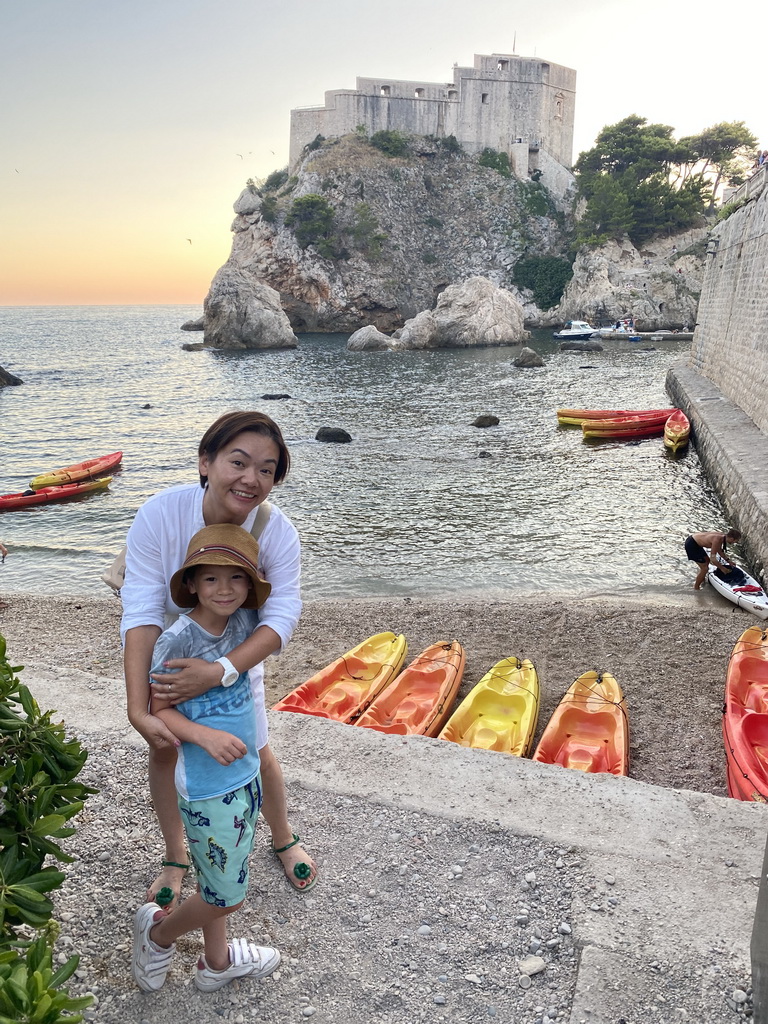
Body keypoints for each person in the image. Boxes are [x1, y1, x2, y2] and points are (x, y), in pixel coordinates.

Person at [122, 411, 317, 909]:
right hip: (172, 650)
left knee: (257, 745)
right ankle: (174, 855)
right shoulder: (160, 515)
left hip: (237, 655)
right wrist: (138, 704)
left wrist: (221, 670)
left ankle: (282, 834)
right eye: (239, 461)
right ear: (206, 461)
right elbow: (142, 606)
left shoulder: (277, 532)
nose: (251, 479)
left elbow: (281, 617)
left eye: (268, 469)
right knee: (165, 747)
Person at [133, 523, 280, 992]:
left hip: (243, 774)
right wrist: (204, 736)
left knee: (216, 874)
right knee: (227, 897)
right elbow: (160, 710)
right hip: (205, 784)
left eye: (236, 578)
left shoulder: (244, 624)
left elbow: (282, 621)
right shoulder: (177, 640)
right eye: (211, 579)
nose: (224, 589)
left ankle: (217, 963)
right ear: (191, 584)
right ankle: (157, 935)